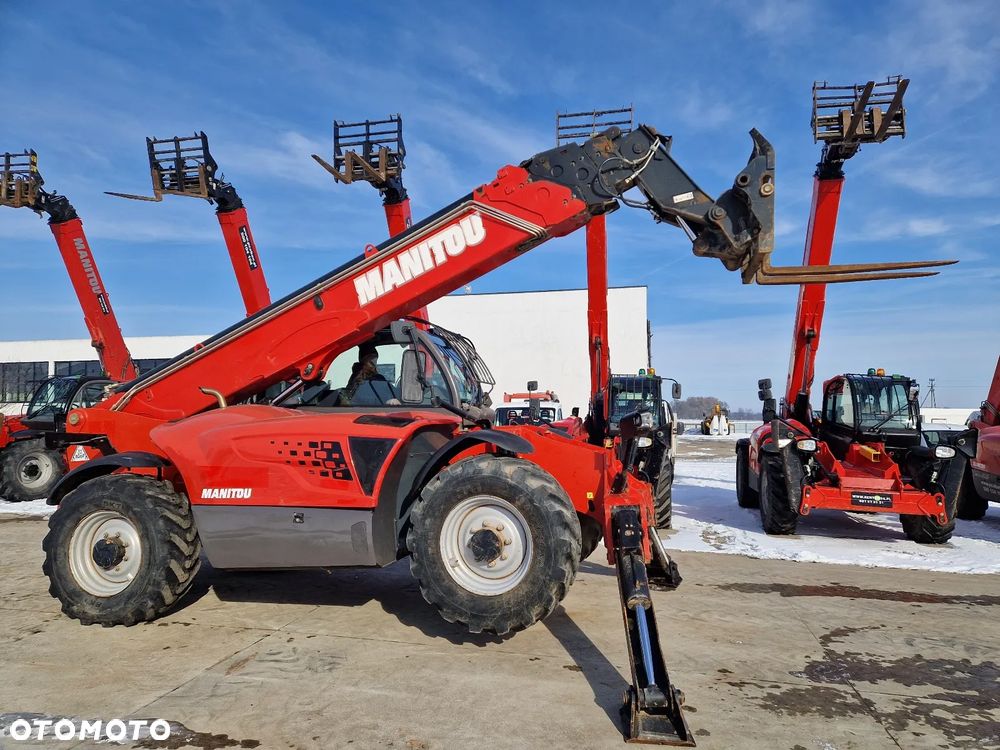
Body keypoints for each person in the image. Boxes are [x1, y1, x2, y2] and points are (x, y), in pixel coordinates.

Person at [339, 341, 397, 406]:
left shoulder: (359, 375)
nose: (374, 363)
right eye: (371, 360)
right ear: (364, 360)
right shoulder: (359, 377)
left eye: (375, 359)